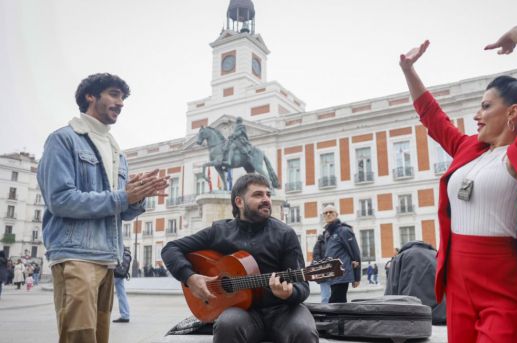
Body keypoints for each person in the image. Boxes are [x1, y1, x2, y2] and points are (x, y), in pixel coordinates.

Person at [399, 26, 517, 342]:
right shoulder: (468, 148)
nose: (476, 115)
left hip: (503, 284)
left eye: (485, 106)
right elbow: (432, 116)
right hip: (457, 281)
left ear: (512, 112)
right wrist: (408, 70)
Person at [37, 73, 169, 343]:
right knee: (79, 338)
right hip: (76, 256)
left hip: (108, 258)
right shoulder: (63, 140)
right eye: (113, 94)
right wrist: (122, 197)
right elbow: (60, 199)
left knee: (99, 338)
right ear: (90, 96)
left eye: (122, 98)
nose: (120, 103)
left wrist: (137, 196)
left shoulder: (116, 152)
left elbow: (121, 210)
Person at [161, 174, 318, 343]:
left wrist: (290, 293)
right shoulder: (219, 231)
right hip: (242, 312)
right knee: (227, 324)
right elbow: (170, 248)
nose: (266, 199)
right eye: (258, 194)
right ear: (239, 202)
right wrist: (190, 277)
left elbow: (302, 285)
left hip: (283, 310)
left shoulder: (285, 233)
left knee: (304, 331)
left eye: (268, 194)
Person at [385, 241, 446, 325]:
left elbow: (391, 291)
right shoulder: (437, 256)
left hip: (411, 317)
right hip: (440, 316)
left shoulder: (400, 257)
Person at [321, 204, 361, 303]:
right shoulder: (328, 233)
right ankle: (341, 319)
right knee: (339, 302)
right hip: (332, 273)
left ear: (336, 214)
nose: (328, 214)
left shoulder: (344, 230)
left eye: (331, 212)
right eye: (326, 213)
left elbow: (355, 253)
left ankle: (337, 319)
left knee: (335, 302)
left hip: (342, 273)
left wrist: (357, 277)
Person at [113, 247, 132, 323]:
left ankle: (101, 315)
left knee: (104, 293)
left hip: (113, 271)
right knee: (121, 294)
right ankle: (125, 315)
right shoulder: (122, 245)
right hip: (120, 272)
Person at [311, 233, 331, 303]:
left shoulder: (333, 241)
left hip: (334, 272)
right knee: (325, 296)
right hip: (323, 272)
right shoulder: (319, 243)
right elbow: (316, 257)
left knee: (334, 296)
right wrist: (324, 265)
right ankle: (326, 312)